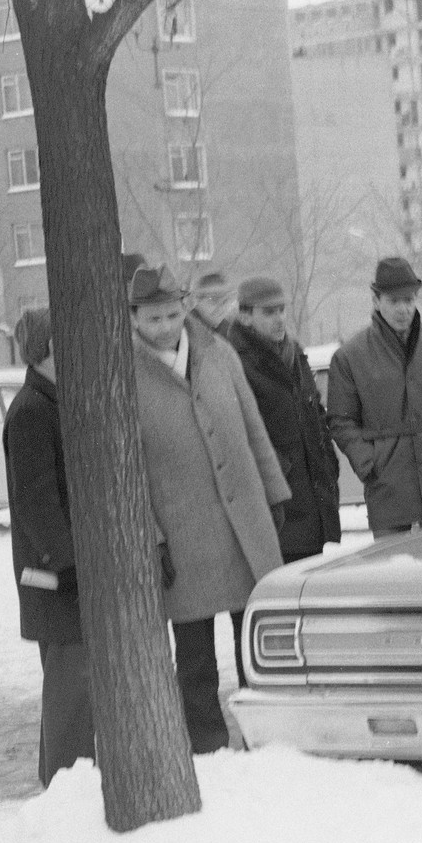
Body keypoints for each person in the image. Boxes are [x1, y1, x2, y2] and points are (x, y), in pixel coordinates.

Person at [129, 264, 290, 753]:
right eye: (152, 319)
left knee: (257, 644)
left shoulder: (218, 353)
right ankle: (208, 747)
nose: (164, 327)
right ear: (133, 319)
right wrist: (152, 536)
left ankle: (269, 741)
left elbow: (253, 427)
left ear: (185, 309)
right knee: (196, 657)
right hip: (183, 535)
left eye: (171, 315)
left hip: (245, 525)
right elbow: (128, 469)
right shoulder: (124, 373)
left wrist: (275, 493)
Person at [3, 307, 95, 785]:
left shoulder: (56, 401)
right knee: (69, 689)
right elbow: (35, 500)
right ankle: (63, 786)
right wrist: (68, 563)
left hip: (67, 575)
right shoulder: (31, 411)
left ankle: (65, 779)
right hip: (56, 581)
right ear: (45, 352)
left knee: (77, 689)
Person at [327, 257, 422, 535]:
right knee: (393, 572)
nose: (403, 309)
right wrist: (369, 463)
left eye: (409, 300)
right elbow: (341, 421)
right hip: (389, 489)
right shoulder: (350, 357)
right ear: (376, 300)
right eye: (394, 301)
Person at [227, 278, 343, 565]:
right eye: (269, 312)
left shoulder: (295, 355)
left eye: (281, 310)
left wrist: (329, 464)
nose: (279, 319)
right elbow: (237, 437)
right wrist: (279, 473)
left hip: (311, 502)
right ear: (245, 316)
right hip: (275, 508)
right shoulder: (235, 363)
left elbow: (316, 419)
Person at [192, 271, 238, 336]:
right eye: (214, 299)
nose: (221, 306)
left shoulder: (229, 331)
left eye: (226, 300)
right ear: (196, 300)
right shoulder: (183, 329)